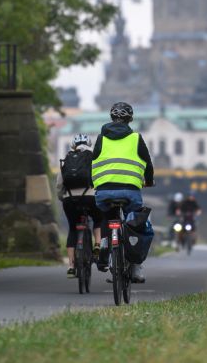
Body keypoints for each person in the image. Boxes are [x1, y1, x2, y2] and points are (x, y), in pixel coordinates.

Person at [92, 101, 154, 283]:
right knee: (135, 223)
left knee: (107, 217)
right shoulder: (136, 138)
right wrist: (148, 181)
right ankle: (135, 266)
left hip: (104, 191)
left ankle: (105, 245)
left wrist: (94, 182)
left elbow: (93, 161)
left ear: (111, 117)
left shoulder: (101, 138)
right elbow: (147, 164)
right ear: (130, 119)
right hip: (130, 191)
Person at [57, 133, 103, 278]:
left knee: (72, 228)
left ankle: (71, 266)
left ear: (73, 146)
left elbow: (59, 184)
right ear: (89, 144)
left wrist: (63, 198)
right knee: (98, 219)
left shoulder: (67, 160)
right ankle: (97, 245)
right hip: (90, 197)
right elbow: (99, 180)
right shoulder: (93, 158)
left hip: (70, 199)